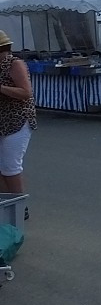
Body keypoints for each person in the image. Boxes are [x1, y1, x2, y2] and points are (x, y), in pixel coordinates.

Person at [0, 31, 36, 197]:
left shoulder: (15, 64)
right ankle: (7, 204)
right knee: (2, 166)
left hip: (17, 121)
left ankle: (19, 205)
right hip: (2, 122)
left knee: (10, 166)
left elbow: (26, 92)